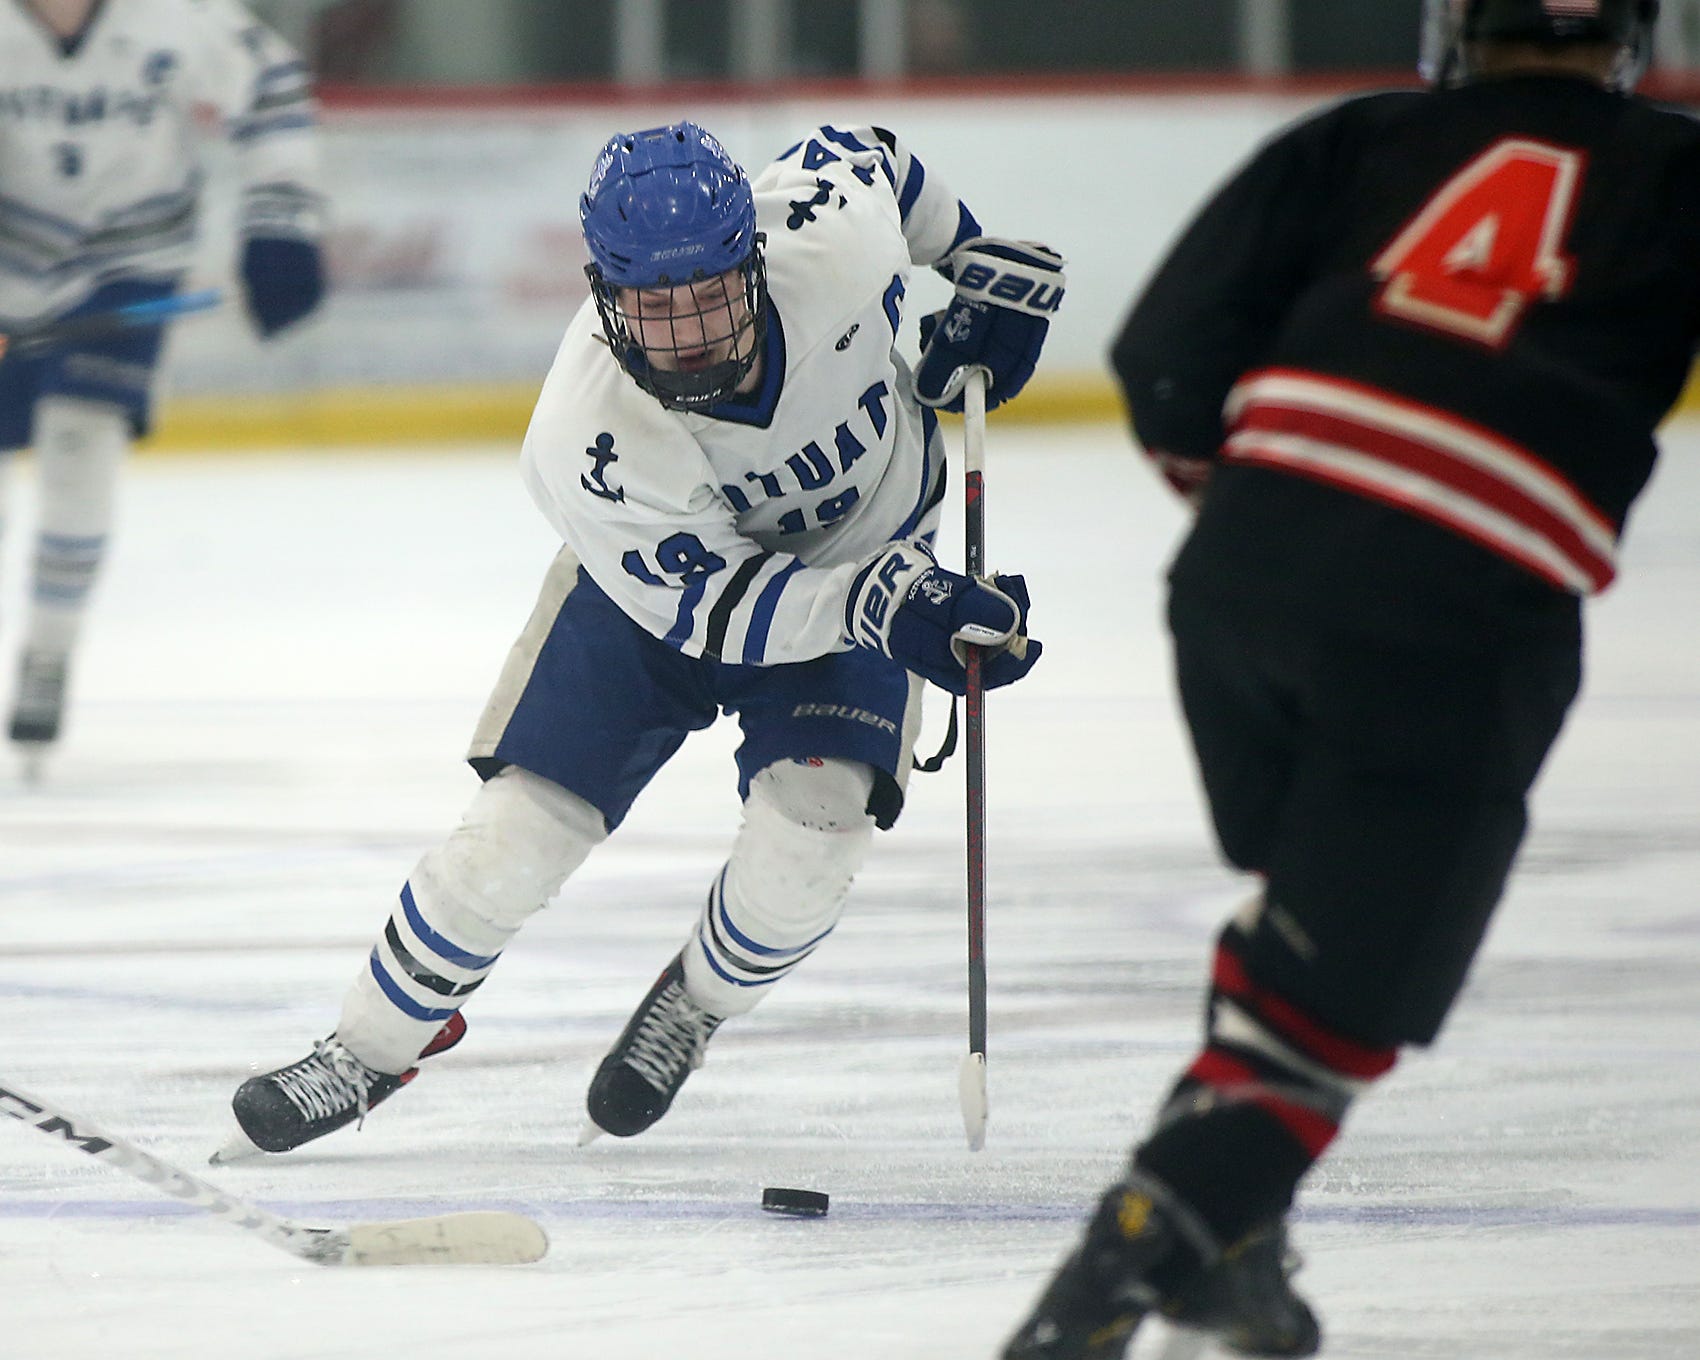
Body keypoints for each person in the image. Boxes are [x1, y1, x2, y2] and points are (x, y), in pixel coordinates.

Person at [1002, 1, 1683, 1356]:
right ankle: (1141, 1242)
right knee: (1334, 1011)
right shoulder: (1674, 171)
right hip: (1455, 614)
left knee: (1304, 924)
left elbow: (1164, 357)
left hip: (1240, 587)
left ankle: (1234, 1264)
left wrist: (1269, 512)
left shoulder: (1357, 137)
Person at [216, 120, 1061, 1160]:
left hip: (866, 554)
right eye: (650, 311)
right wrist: (883, 603)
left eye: (707, 298)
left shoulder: (828, 236)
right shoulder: (585, 438)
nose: (685, 337)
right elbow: (722, 612)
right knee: (516, 834)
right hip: (655, 598)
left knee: (809, 845)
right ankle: (369, 1046)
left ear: (752, 258)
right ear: (601, 291)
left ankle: (693, 1004)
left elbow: (877, 156)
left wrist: (969, 257)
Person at [0, 0, 325, 768]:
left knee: (84, 442)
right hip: (7, 263)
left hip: (128, 267)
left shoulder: (174, 16)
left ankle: (49, 651)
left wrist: (282, 223)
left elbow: (272, 83)